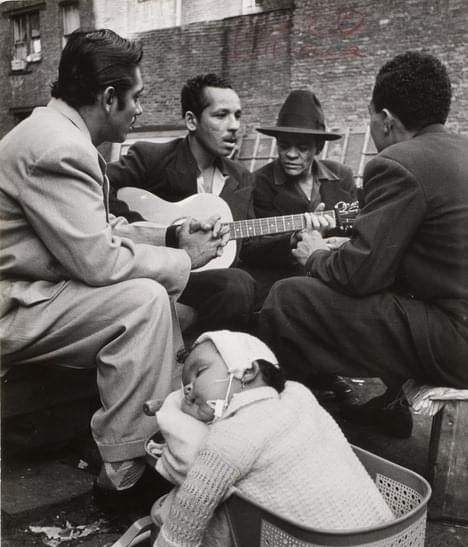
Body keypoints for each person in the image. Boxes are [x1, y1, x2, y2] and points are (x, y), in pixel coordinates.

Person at [0, 29, 229, 508]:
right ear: (108, 98)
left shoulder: (53, 133)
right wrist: (184, 260)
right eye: (137, 97)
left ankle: (160, 438)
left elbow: (101, 229)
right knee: (142, 300)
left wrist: (171, 235)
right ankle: (125, 474)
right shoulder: (60, 148)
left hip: (30, 290)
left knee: (152, 293)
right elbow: (100, 260)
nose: (141, 110)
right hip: (12, 306)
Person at [150, 330, 394, 547]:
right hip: (382, 541)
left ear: (246, 371)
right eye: (184, 386)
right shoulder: (299, 397)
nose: (188, 389)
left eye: (197, 372)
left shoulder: (228, 441)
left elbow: (193, 504)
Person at [257, 51, 468, 439]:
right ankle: (390, 405)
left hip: (456, 344)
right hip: (457, 323)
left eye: (370, 115)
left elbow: (359, 276)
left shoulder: (398, 162)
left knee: (288, 297)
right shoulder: (462, 150)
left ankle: (290, 425)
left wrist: (316, 254)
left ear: (386, 120)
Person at [107, 73, 256, 336]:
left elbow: (250, 241)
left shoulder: (241, 176)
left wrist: (296, 235)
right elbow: (100, 187)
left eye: (238, 115)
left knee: (245, 285)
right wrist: (151, 234)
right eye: (221, 115)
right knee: (237, 285)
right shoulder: (152, 157)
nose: (234, 126)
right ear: (191, 121)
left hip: (208, 277)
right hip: (155, 270)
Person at [238, 89, 357, 306]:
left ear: (318, 147)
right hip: (282, 286)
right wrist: (293, 239)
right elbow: (249, 247)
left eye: (302, 147)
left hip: (334, 280)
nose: (291, 154)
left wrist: (342, 243)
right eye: (284, 145)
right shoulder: (257, 183)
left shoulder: (342, 176)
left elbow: (359, 228)